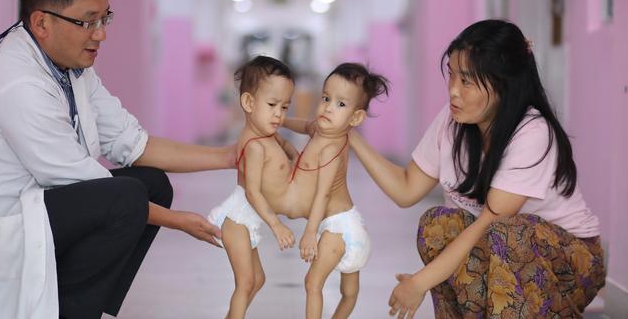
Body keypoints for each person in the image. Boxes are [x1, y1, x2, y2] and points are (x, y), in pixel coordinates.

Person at [0, 0, 234, 318]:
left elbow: (134, 143)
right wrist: (182, 221)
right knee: (125, 198)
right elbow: (85, 181)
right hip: (4, 229)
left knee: (151, 184)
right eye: (87, 22)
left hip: (41, 209)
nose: (100, 34)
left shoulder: (70, 67)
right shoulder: (18, 84)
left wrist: (229, 157)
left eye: (104, 18)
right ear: (41, 23)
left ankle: (88, 308)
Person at [348, 19, 605, 318]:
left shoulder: (532, 131)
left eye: (467, 81)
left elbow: (489, 224)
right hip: (499, 252)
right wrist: (350, 137)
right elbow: (406, 189)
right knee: (438, 223)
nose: (453, 91)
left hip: (571, 264)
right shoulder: (452, 120)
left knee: (506, 232)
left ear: (502, 83)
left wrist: (419, 283)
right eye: (452, 76)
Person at [283, 63, 389, 319]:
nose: (329, 107)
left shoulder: (332, 148)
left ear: (355, 118)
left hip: (340, 228)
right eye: (326, 98)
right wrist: (281, 120)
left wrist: (309, 233)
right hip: (349, 224)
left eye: (341, 104)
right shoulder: (319, 129)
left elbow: (323, 194)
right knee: (349, 293)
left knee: (312, 283)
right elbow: (303, 124)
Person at [207, 55, 298, 319]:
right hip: (238, 219)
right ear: (248, 102)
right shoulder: (255, 146)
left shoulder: (267, 133)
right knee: (245, 282)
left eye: (285, 107)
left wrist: (294, 154)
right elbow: (252, 192)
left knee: (257, 280)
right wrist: (276, 225)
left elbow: (286, 147)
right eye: (272, 105)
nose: (279, 115)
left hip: (247, 220)